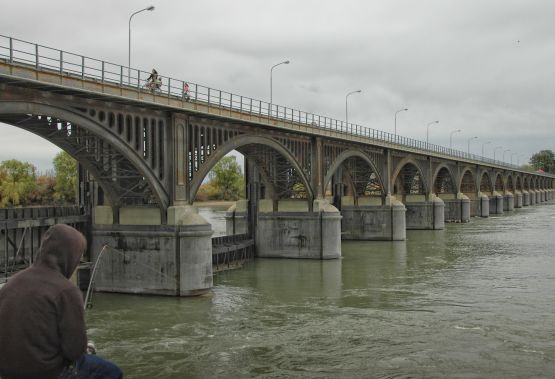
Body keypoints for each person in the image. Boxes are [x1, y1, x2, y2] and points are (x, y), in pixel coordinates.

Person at [0, 224, 123, 379]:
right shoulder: (66, 291)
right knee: (111, 371)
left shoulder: (11, 283)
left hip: (8, 372)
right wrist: (86, 348)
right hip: (48, 373)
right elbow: (75, 351)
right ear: (70, 257)